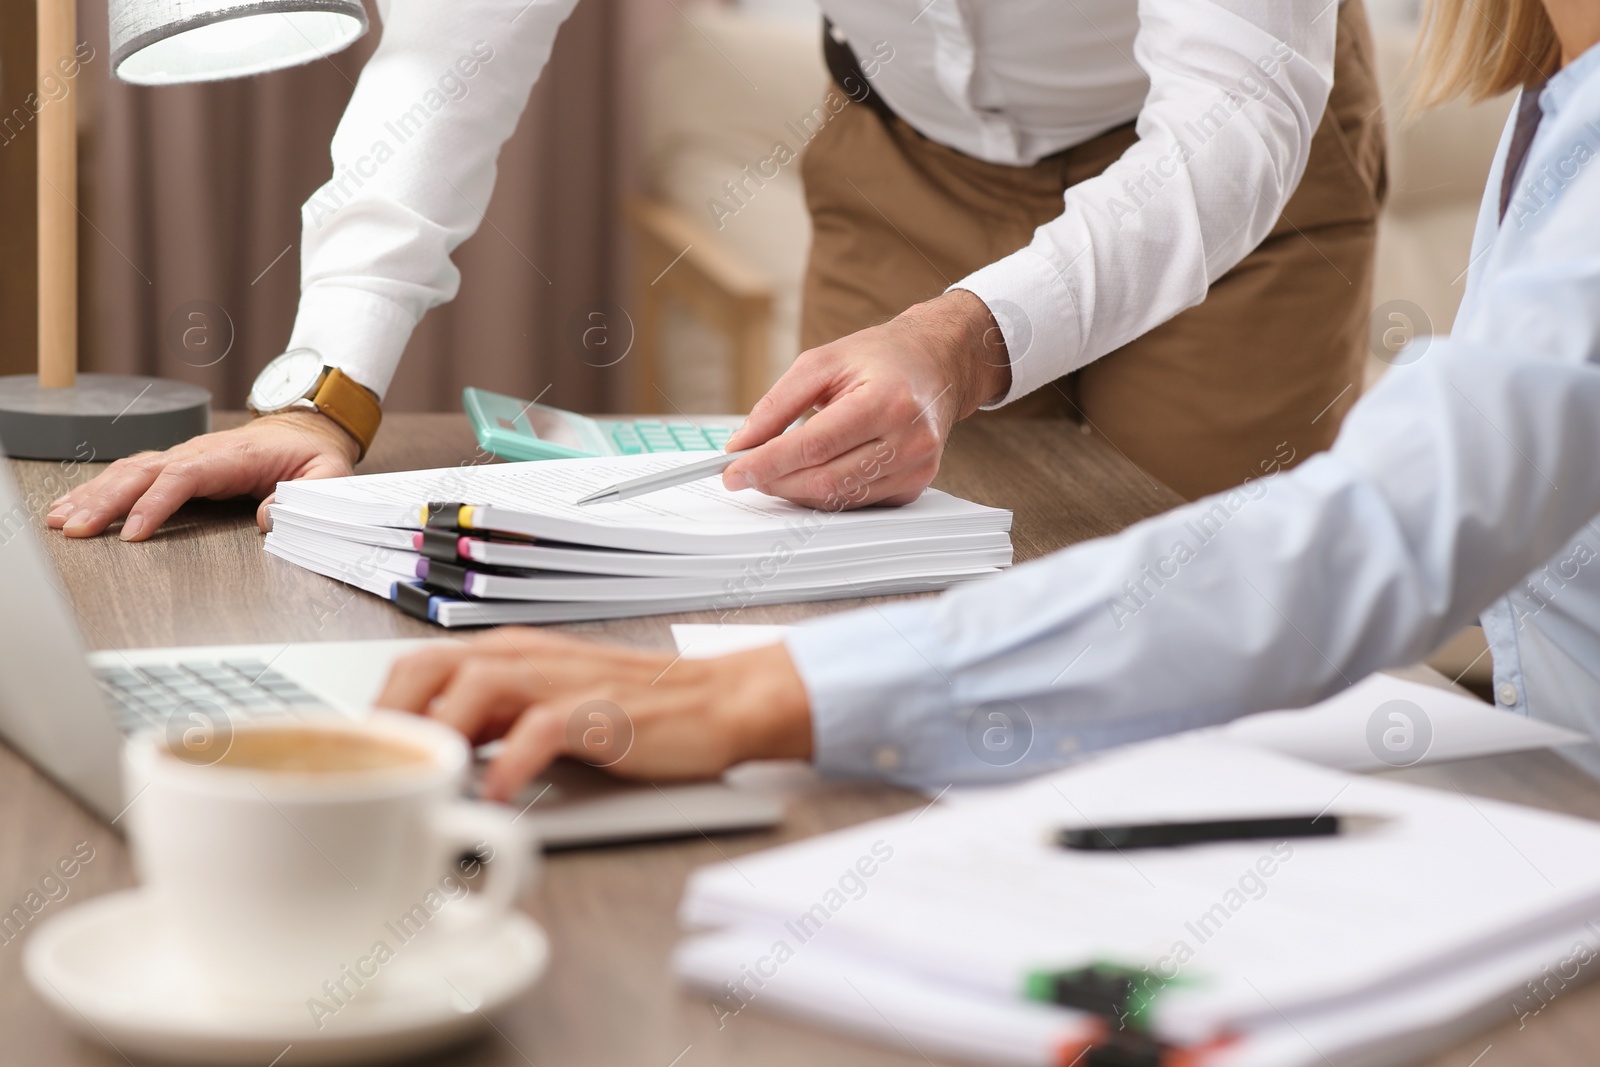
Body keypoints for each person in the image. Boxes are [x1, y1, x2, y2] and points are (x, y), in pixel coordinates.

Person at [373, 0, 1600, 800]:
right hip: (908, 127)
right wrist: (329, 377)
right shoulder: (1551, 101)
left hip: (1222, 140)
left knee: (1181, 731)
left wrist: (758, 692)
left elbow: (1361, 544)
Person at [45, 0, 1382, 540]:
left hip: (1228, 177)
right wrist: (321, 390)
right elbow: (464, 48)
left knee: (1199, 601)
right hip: (904, 157)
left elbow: (1235, 117)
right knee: (874, 601)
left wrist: (968, 338)